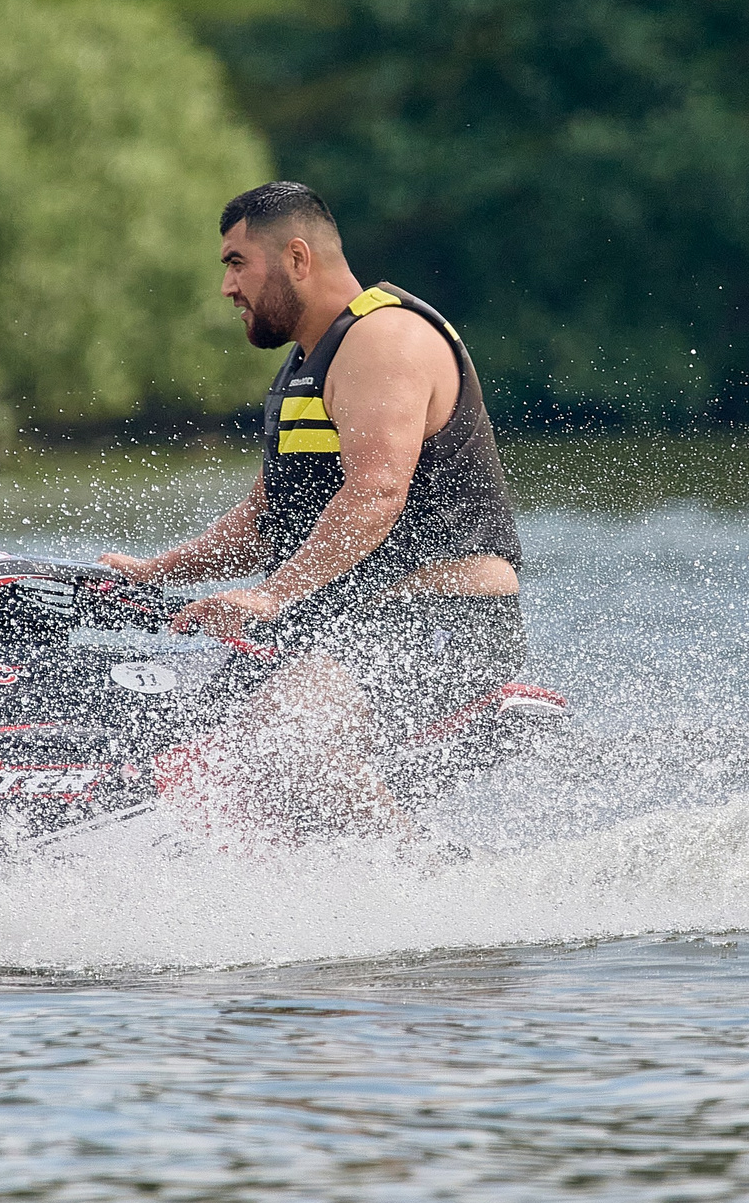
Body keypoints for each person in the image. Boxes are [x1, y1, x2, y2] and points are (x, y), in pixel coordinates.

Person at [101, 181, 527, 835]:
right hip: (344, 627)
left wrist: (271, 596)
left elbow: (375, 496)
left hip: (447, 624)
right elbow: (260, 523)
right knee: (175, 728)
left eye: (237, 264)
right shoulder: (306, 362)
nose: (227, 288)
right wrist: (153, 573)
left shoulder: (384, 339)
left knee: (289, 736)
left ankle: (421, 880)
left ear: (297, 258)